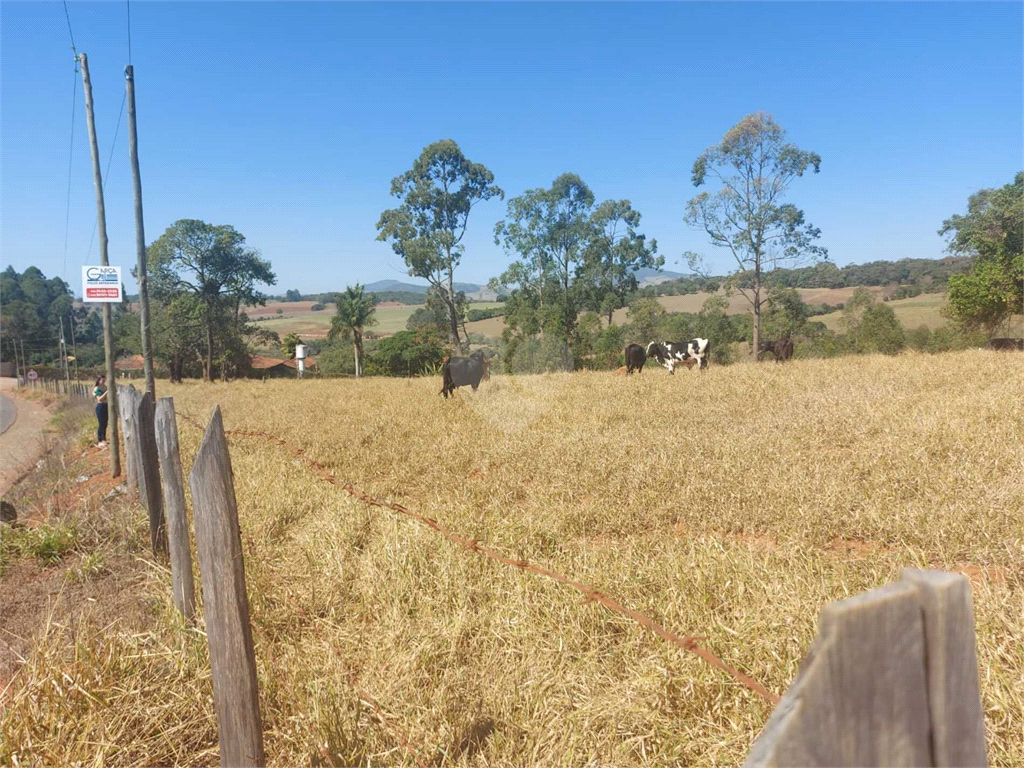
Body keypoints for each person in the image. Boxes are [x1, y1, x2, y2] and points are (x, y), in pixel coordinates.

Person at [93, 376, 108, 446]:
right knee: (101, 423)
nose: (103, 382)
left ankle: (104, 439)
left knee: (105, 423)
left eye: (104, 380)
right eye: (102, 380)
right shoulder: (97, 388)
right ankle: (100, 440)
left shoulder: (105, 387)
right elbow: (99, 399)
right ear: (98, 381)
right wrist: (107, 392)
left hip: (106, 405)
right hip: (100, 406)